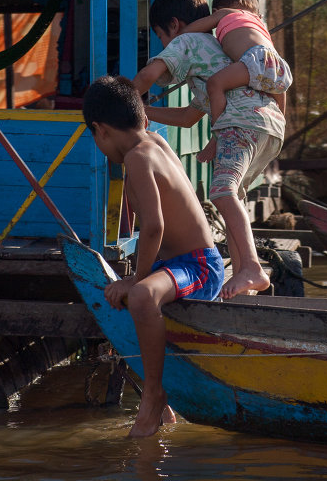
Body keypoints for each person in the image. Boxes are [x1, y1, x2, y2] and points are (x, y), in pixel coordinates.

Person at [82, 75, 224, 438]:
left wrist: (135, 279)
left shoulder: (138, 157)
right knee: (135, 303)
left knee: (142, 296)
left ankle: (154, 395)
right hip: (180, 265)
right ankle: (165, 411)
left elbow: (154, 228)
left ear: (100, 130)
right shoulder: (154, 141)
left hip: (200, 267)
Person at [132, 0, 286, 300]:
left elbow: (148, 76)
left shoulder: (187, 41)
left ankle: (252, 268)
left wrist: (127, 106)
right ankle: (244, 272)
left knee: (222, 191)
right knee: (234, 198)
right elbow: (189, 116)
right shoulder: (216, 53)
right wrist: (147, 112)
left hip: (242, 123)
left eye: (161, 36)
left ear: (173, 25)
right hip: (267, 127)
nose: (163, 44)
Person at [180, 0, 292, 163]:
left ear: (218, 10)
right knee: (277, 93)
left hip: (255, 60)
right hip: (277, 66)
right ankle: (280, 124)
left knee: (215, 84)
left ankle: (219, 133)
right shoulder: (258, 22)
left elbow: (187, 31)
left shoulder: (225, 13)